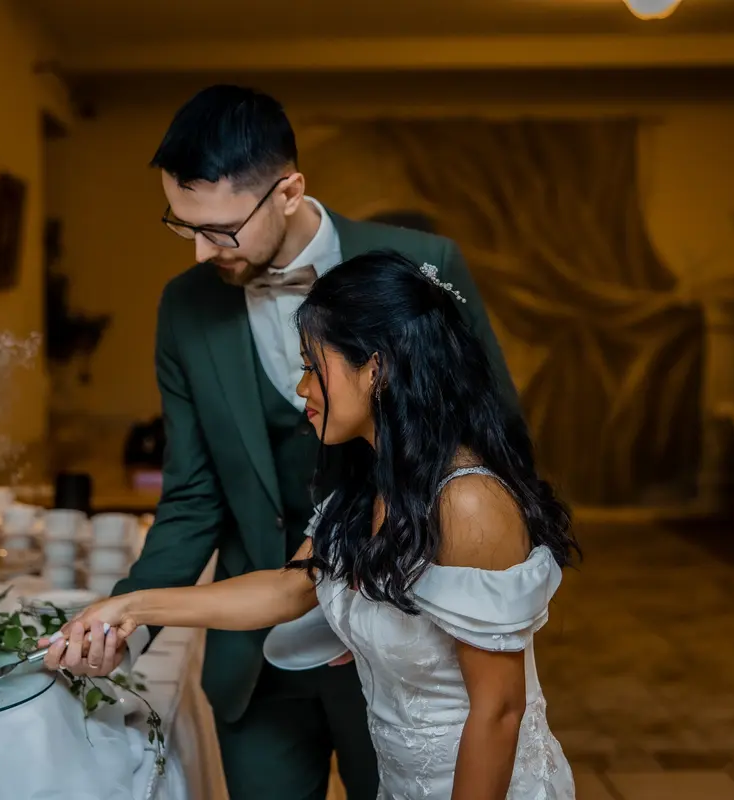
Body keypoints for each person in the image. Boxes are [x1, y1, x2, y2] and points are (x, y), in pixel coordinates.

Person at [41, 85, 519, 800]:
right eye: (182, 226)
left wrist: (402, 608)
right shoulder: (186, 308)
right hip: (255, 654)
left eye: (221, 229)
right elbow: (193, 495)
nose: (200, 251)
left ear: (289, 192)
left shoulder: (422, 266)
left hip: (401, 650)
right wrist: (127, 620)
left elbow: (496, 442)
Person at [62, 251, 579, 799]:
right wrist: (131, 607)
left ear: (376, 369)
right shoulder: (372, 482)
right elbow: (288, 589)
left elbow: (498, 712)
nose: (301, 388)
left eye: (313, 366)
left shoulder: (469, 503)